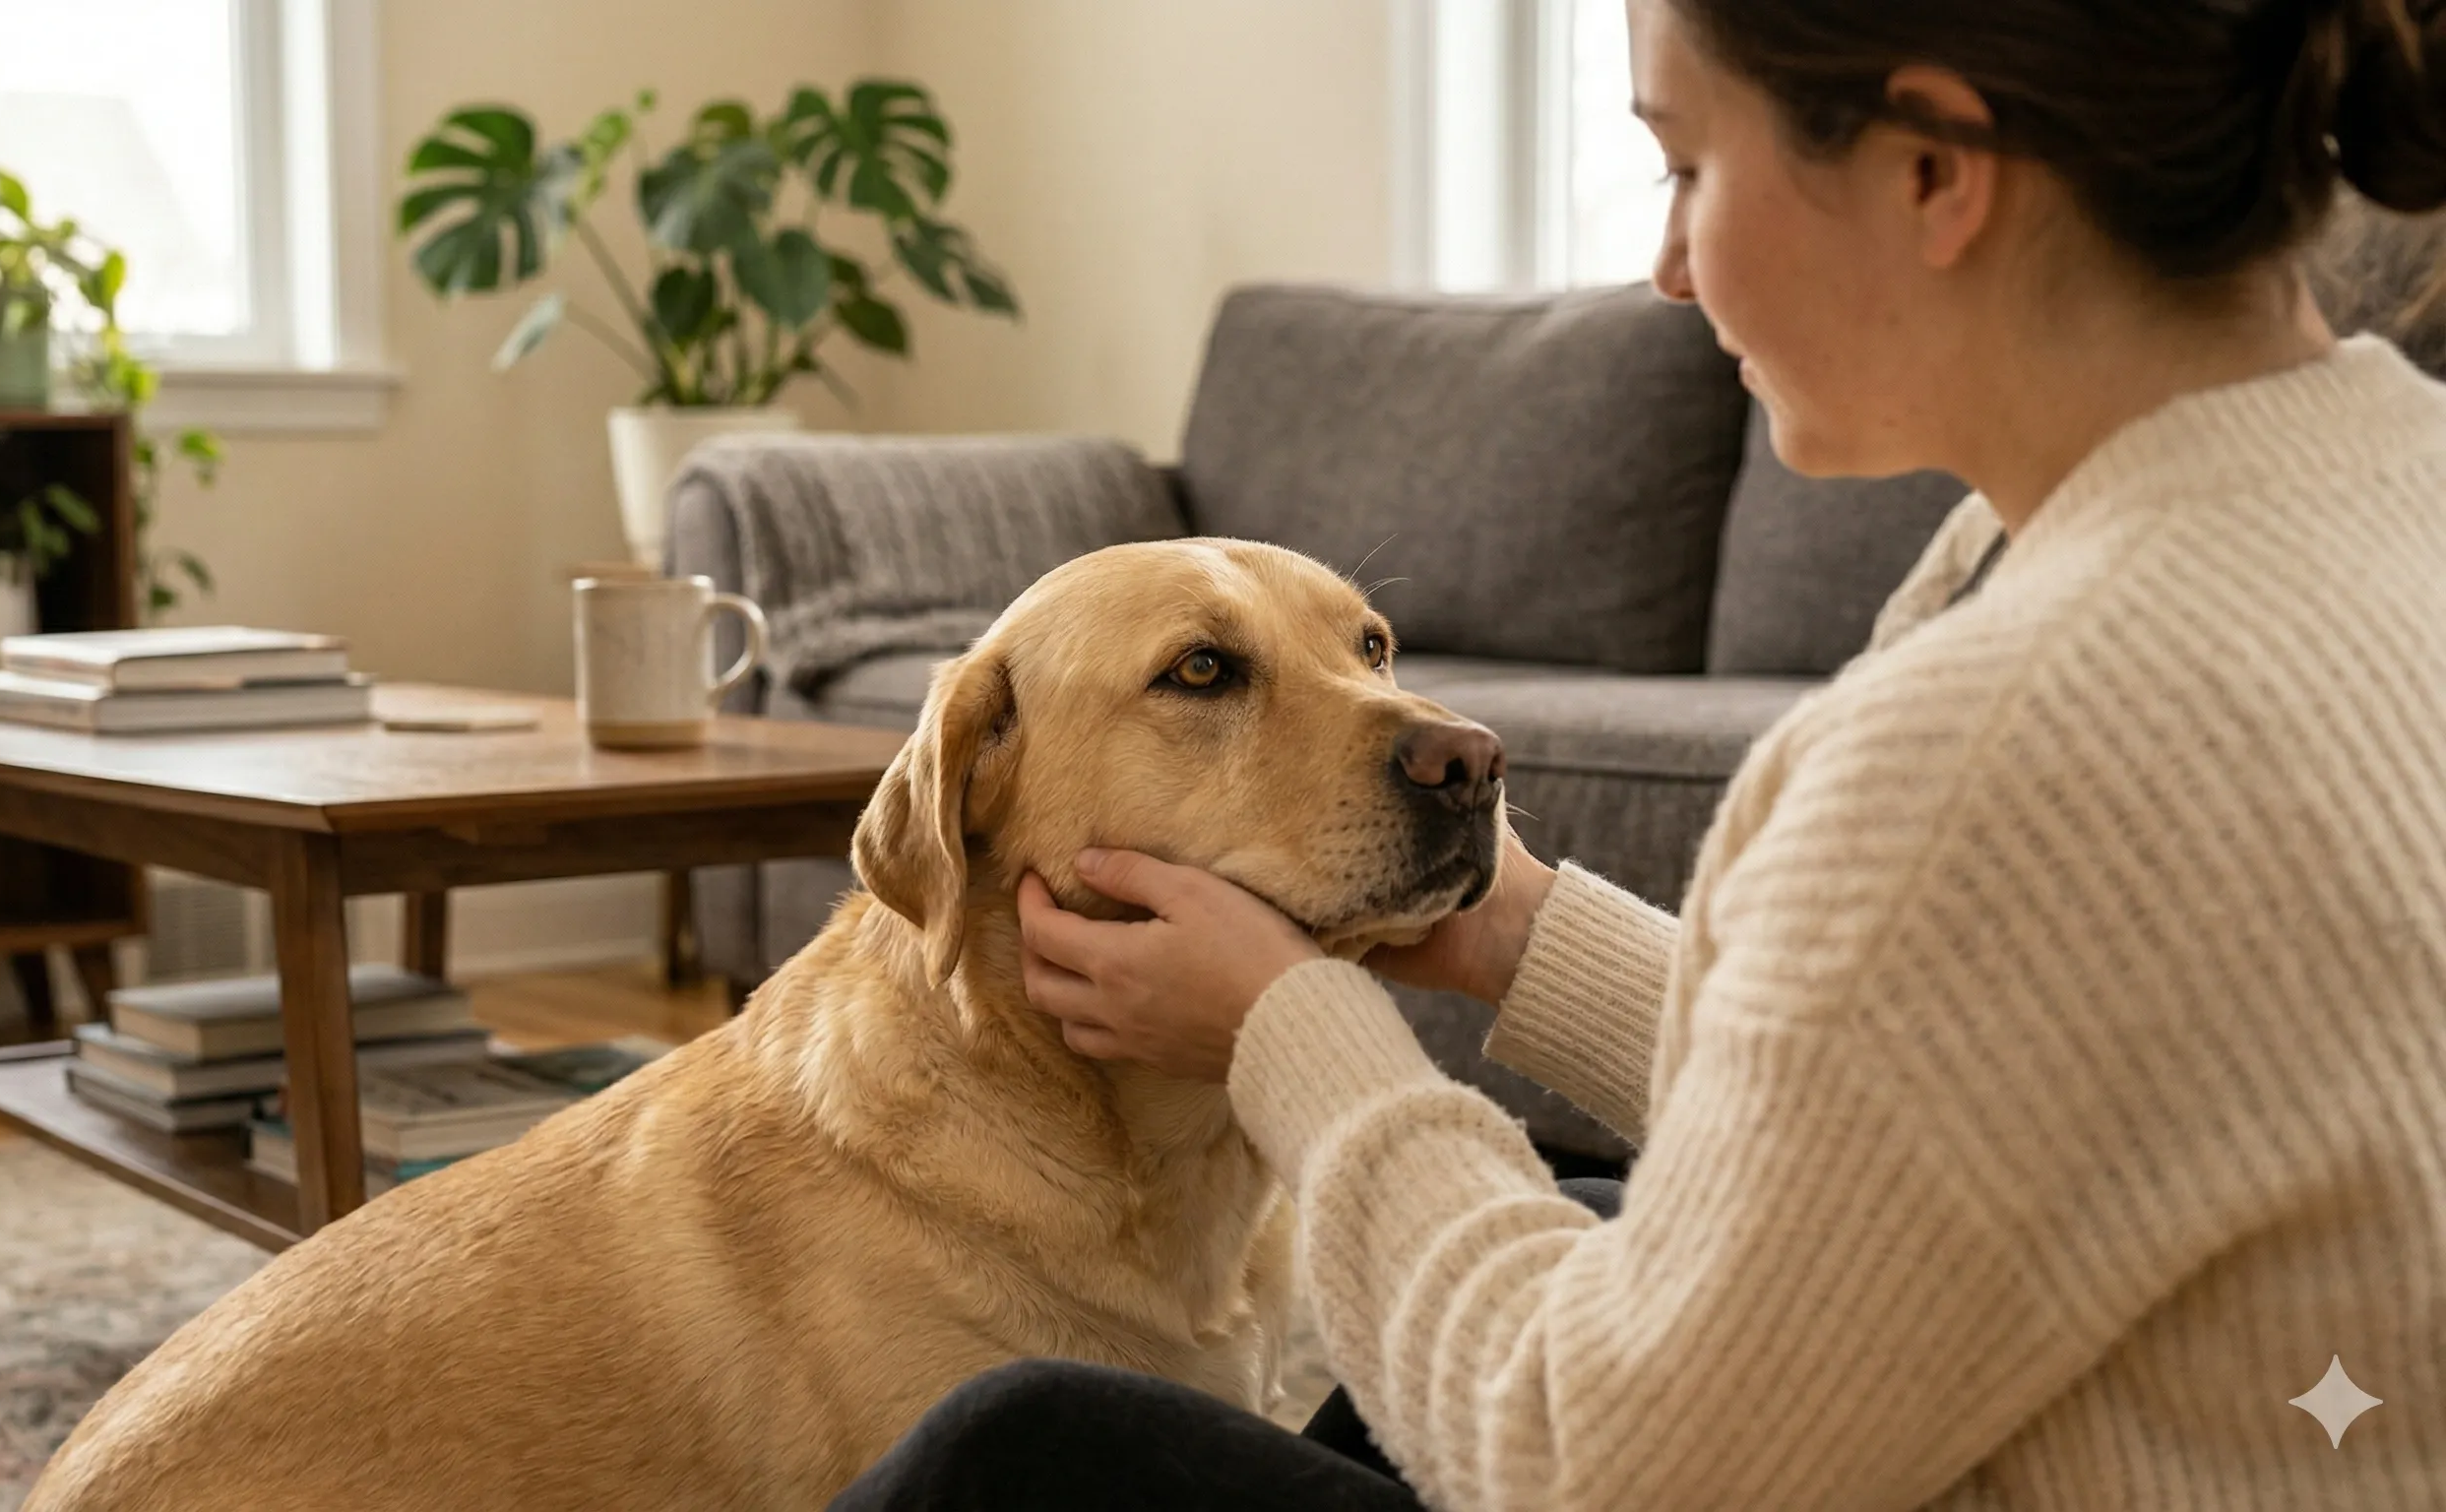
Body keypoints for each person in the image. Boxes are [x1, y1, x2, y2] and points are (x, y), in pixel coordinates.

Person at [831, 0, 2446, 1506]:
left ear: (1933, 169)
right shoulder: (2382, 487)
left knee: (1017, 1448)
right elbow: (1958, 1077)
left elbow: (1588, 1459)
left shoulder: (1995, 737)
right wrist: (1520, 932)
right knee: (1598, 1220)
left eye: (1687, 165)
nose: (1667, 265)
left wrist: (1298, 1035)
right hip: (2285, 1414)